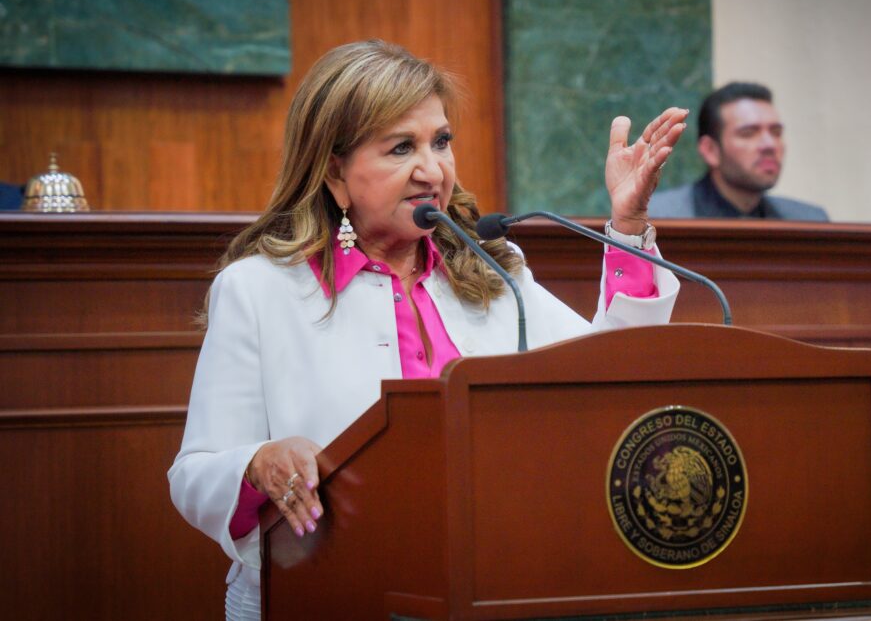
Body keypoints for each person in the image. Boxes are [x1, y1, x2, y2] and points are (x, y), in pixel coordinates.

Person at [167, 39, 688, 619]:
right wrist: (260, 461)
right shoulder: (259, 288)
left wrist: (628, 223)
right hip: (324, 593)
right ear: (334, 170)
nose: (432, 169)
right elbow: (195, 474)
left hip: (486, 588)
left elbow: (604, 377)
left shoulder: (495, 267)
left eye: (441, 142)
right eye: (400, 148)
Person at [648, 82, 828, 220]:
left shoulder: (809, 222)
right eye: (748, 133)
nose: (769, 145)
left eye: (776, 132)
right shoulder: (657, 218)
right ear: (711, 150)